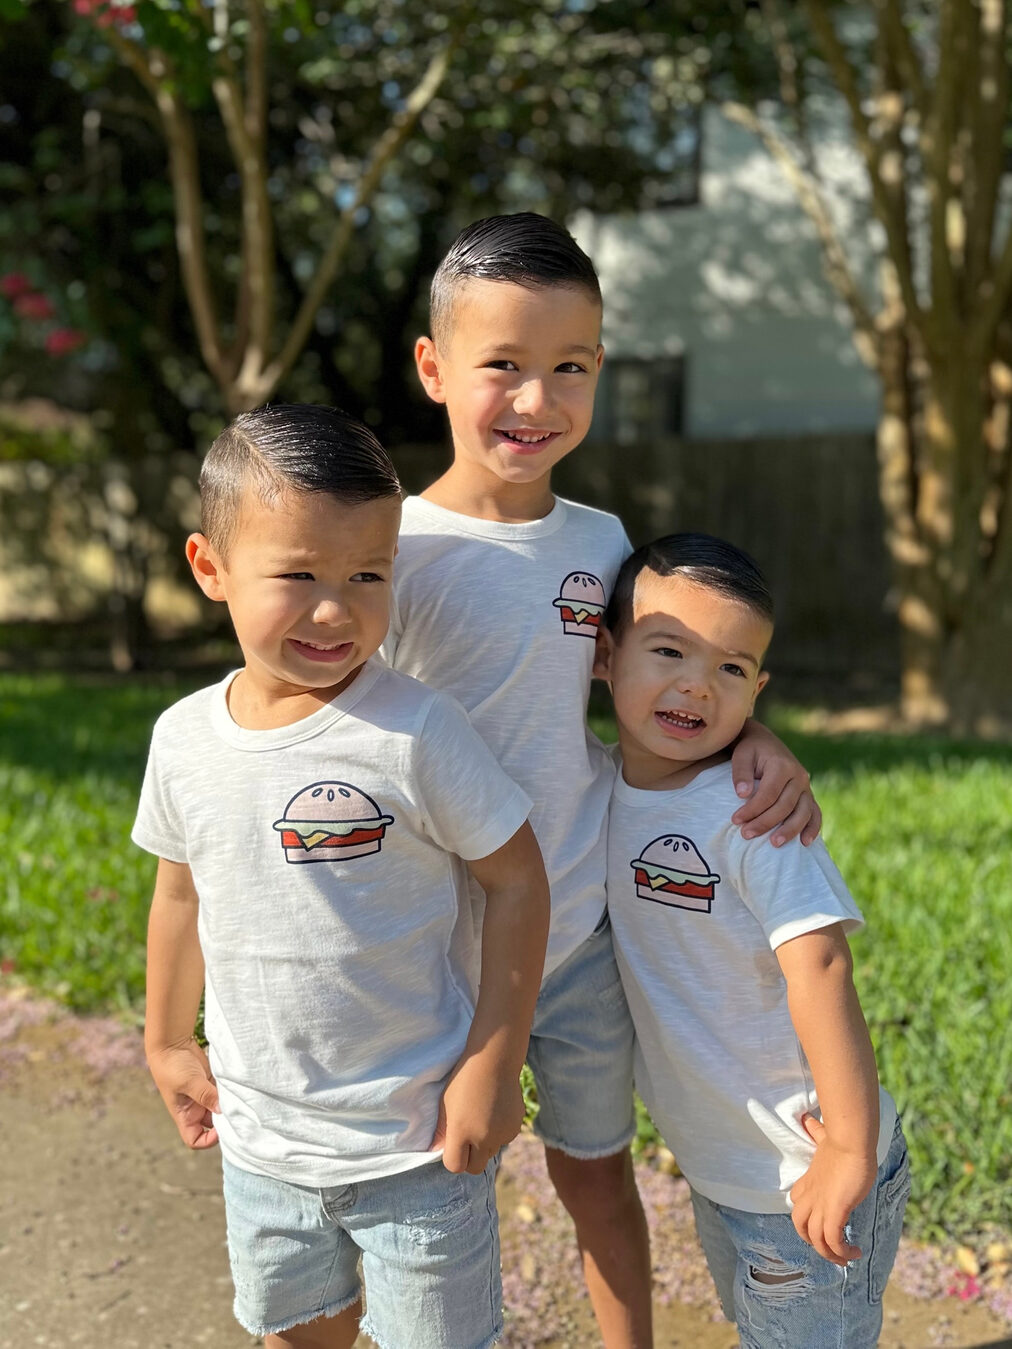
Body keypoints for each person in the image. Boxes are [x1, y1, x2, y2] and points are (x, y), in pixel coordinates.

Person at [383, 212, 823, 1347]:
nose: (537, 400)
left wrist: (758, 738)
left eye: (568, 368)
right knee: (430, 1183)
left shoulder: (603, 540)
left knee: (594, 1173)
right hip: (432, 941)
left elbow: (667, 682)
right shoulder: (392, 549)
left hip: (577, 929)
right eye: (503, 367)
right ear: (434, 368)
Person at [133, 404, 550, 1349]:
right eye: (299, 574)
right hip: (263, 1142)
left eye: (369, 573)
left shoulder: (418, 731)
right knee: (294, 1336)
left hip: (418, 1144)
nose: (338, 607)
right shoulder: (184, 740)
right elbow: (179, 894)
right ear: (210, 569)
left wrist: (494, 1061)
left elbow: (518, 881)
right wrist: (164, 1041)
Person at [595, 532, 910, 1348]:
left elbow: (823, 962)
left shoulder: (754, 815)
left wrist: (848, 1145)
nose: (697, 686)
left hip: (804, 1164)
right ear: (605, 654)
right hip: (722, 1164)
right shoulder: (596, 787)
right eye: (669, 651)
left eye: (731, 669)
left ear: (758, 689)